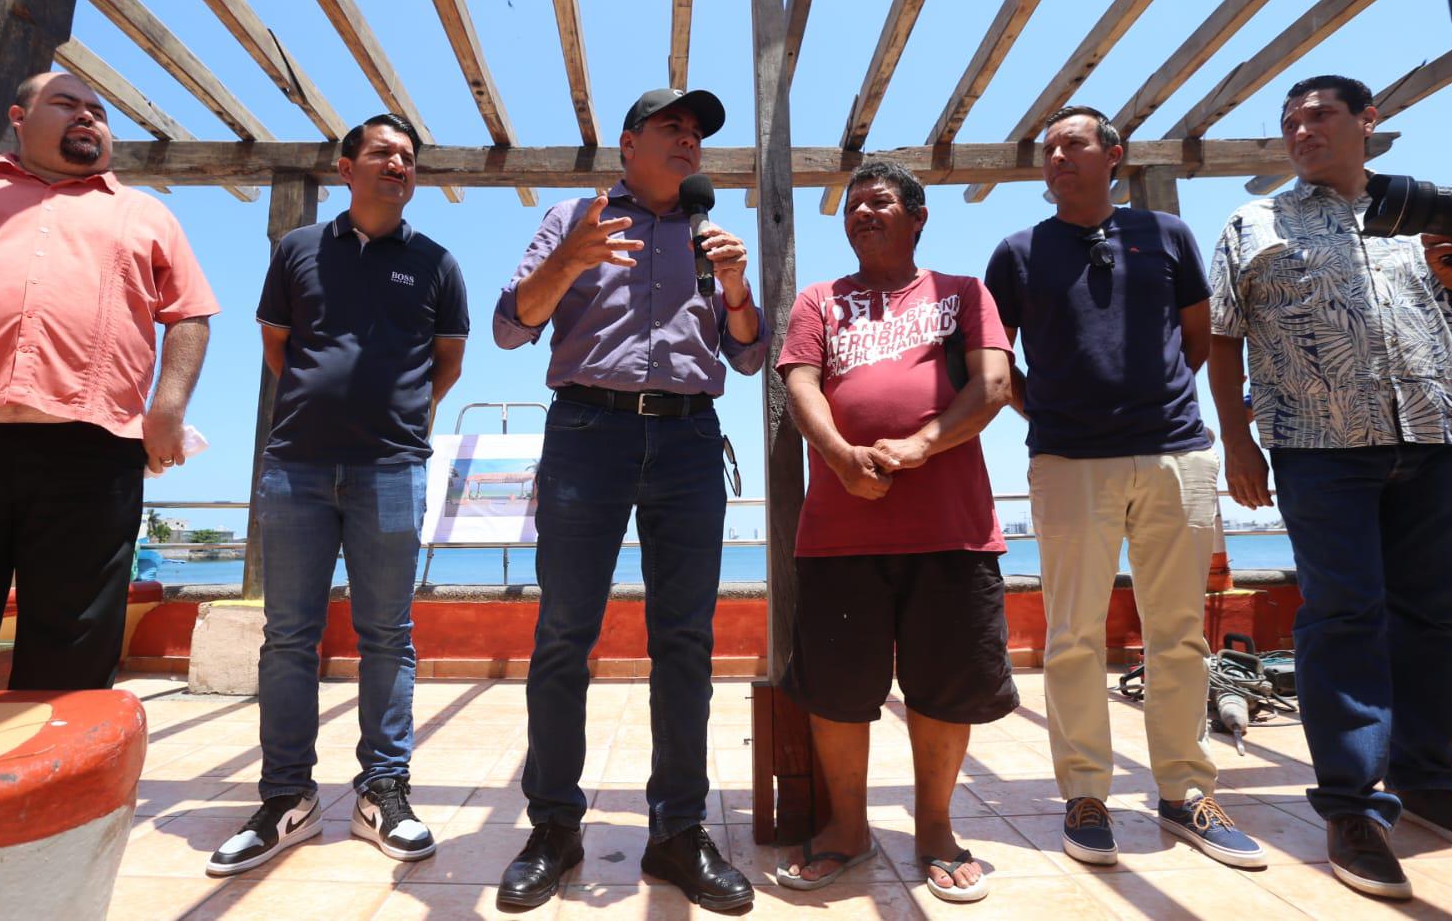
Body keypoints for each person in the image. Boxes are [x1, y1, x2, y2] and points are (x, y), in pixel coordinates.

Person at [1210, 75, 1452, 899]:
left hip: (1442, 435)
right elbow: (1224, 341)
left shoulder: (1436, 215)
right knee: (1343, 615)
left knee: (1437, 618)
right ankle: (1351, 808)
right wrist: (1236, 443)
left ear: (1367, 123)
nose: (1301, 129)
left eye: (1319, 115)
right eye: (1289, 120)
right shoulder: (1250, 222)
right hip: (1319, 446)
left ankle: (1430, 787)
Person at [490, 88, 765, 911]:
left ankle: (677, 835)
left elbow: (747, 359)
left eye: (697, 133)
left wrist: (738, 289)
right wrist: (570, 259)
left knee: (684, 641)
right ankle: (553, 829)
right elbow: (510, 326)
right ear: (628, 144)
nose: (688, 141)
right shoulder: (575, 217)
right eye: (671, 127)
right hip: (587, 433)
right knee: (563, 637)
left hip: (687, 440)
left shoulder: (711, 233)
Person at [984, 105, 1265, 871]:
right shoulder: (1016, 253)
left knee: (1177, 636)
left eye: (1071, 144)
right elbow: (990, 355)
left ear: (1113, 155)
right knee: (1072, 636)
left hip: (1175, 455)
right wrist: (1040, 407)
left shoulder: (1165, 236)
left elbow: (1199, 336)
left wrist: (1170, 409)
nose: (1056, 158)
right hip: (1068, 463)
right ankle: (1084, 796)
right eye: (1046, 149)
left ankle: (1183, 793)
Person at [0, 71, 216, 692]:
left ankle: (58, 788)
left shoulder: (144, 213)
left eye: (98, 111)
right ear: (18, 117)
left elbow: (189, 314)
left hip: (90, 454)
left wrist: (167, 410)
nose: (88, 117)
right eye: (66, 104)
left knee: (77, 638)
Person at [206, 113, 469, 876]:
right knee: (287, 637)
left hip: (392, 468)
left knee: (388, 634)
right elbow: (276, 343)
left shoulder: (437, 262)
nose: (398, 164)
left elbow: (446, 360)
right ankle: (286, 798)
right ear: (345, 167)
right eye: (383, 152)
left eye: (409, 157)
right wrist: (323, 404)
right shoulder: (295, 250)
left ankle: (382, 791)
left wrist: (396, 420)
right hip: (296, 468)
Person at [776, 161, 1017, 903]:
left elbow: (993, 386)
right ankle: (847, 830)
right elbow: (798, 385)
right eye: (852, 206)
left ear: (916, 216)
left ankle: (936, 831)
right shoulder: (818, 300)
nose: (862, 214)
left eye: (879, 202)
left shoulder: (963, 293)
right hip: (839, 531)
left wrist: (920, 446)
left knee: (945, 689)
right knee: (838, 692)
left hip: (951, 530)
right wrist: (839, 457)